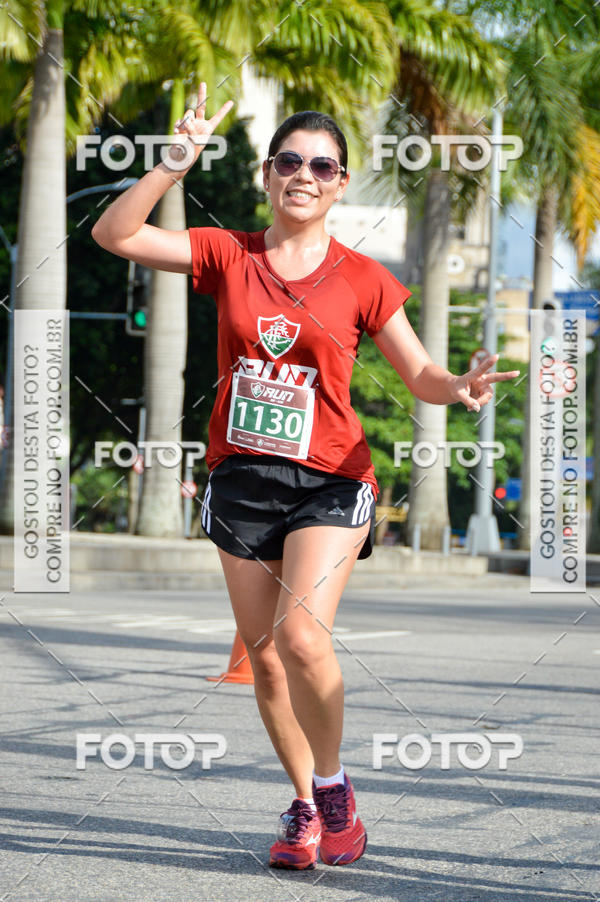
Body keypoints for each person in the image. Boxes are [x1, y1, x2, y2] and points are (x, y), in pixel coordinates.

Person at [92, 83, 520, 871]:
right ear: (267, 174)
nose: (304, 175)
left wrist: (459, 386)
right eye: (289, 161)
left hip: (332, 479)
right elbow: (114, 233)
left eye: (322, 166)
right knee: (263, 658)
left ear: (341, 183)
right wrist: (174, 163)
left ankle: (333, 787)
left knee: (300, 638)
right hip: (242, 478)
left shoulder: (364, 278)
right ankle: (302, 806)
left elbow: (420, 373)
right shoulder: (229, 253)